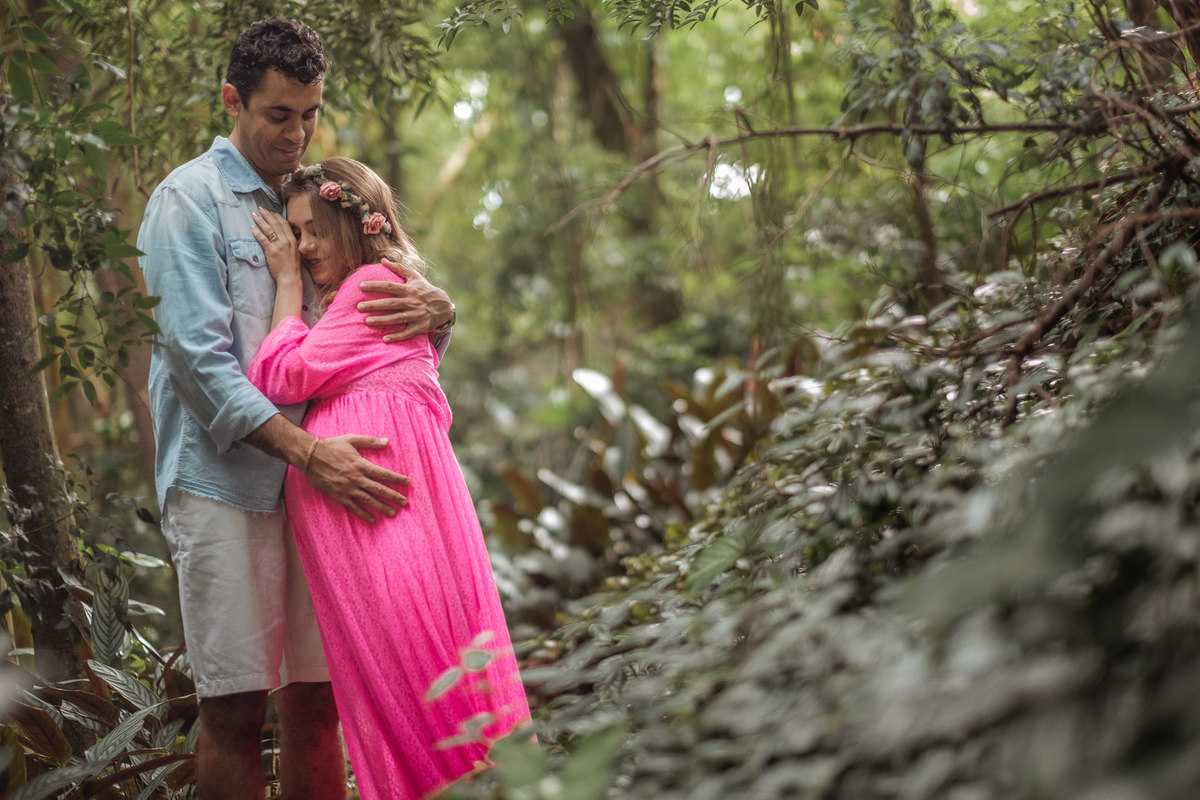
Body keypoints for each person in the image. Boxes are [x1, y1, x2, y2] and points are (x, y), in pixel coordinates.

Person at [137, 18, 454, 800]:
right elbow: (199, 365)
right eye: (280, 115)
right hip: (226, 488)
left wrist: (439, 311)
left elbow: (374, 316)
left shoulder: (321, 196)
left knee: (320, 705)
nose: (298, 132)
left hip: (321, 495)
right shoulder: (187, 201)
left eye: (310, 113)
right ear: (232, 101)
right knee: (236, 709)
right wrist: (311, 453)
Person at [245, 157, 531, 800]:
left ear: (357, 223)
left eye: (315, 229)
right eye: (296, 235)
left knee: (418, 669)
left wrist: (286, 282)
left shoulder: (373, 283)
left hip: (380, 513)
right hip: (371, 510)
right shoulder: (375, 289)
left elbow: (280, 377)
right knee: (404, 676)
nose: (305, 246)